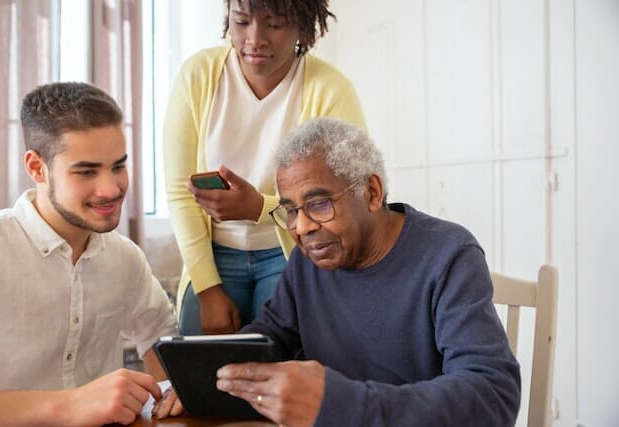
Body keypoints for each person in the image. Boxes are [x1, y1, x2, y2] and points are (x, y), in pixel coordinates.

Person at [212, 117, 522, 426]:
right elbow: (272, 336)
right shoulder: (308, 261)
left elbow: (492, 392)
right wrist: (204, 378)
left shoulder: (448, 255)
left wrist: (344, 405)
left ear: (371, 192)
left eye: (319, 204)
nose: (302, 227)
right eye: (291, 210)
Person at [0, 82, 180, 426]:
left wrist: (176, 391)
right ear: (37, 168)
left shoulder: (125, 259)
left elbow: (160, 338)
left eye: (118, 166)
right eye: (86, 171)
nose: (111, 188)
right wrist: (70, 405)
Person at [163, 0, 366, 335]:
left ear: (303, 25)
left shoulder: (330, 89)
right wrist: (208, 289)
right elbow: (179, 191)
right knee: (199, 375)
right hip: (211, 254)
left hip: (290, 252)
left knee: (279, 369)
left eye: (274, 25)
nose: (255, 39)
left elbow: (346, 198)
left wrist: (260, 207)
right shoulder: (198, 75)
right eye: (241, 22)